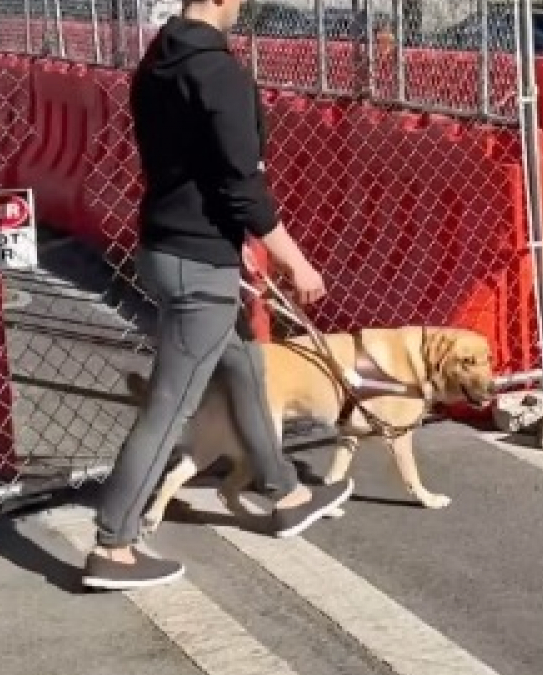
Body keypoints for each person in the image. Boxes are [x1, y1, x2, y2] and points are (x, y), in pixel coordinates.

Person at [82, 0, 355, 591]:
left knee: (245, 363)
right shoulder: (219, 73)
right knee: (170, 408)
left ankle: (289, 493)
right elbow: (242, 189)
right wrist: (298, 265)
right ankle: (114, 545)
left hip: (168, 245)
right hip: (198, 262)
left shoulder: (158, 60)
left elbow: (202, 172)